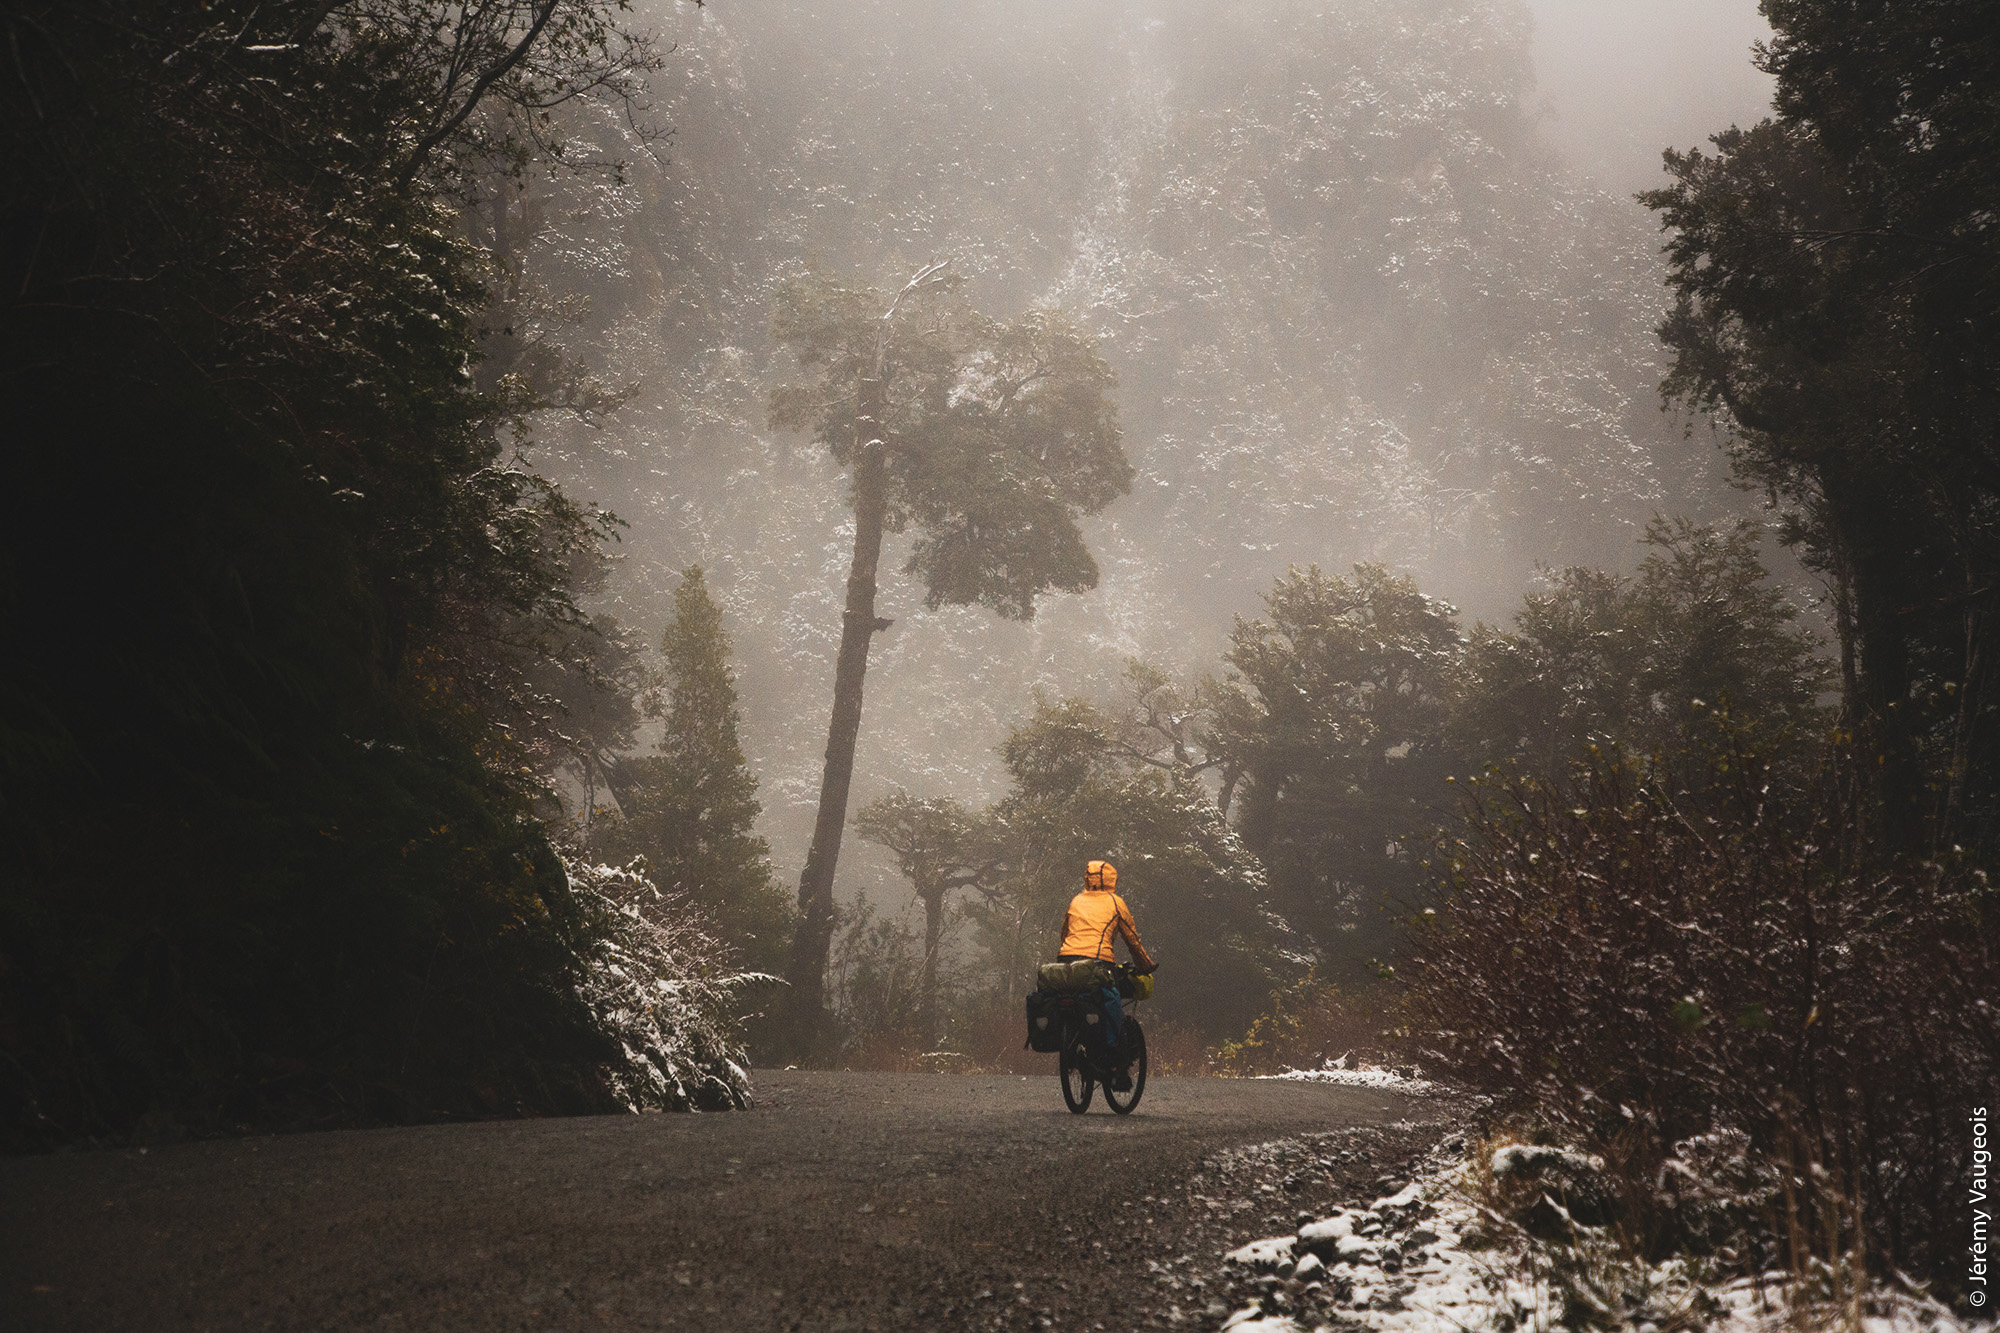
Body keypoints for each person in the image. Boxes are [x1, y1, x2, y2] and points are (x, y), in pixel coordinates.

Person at [1058, 859, 1155, 1090]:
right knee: (1109, 999)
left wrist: (1072, 953)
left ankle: (1074, 1045)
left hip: (1067, 961)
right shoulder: (1115, 902)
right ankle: (1113, 1062)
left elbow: (1064, 932)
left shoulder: (1076, 900)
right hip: (1099, 962)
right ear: (1112, 880)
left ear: (1087, 879)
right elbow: (1132, 939)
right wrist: (1145, 965)